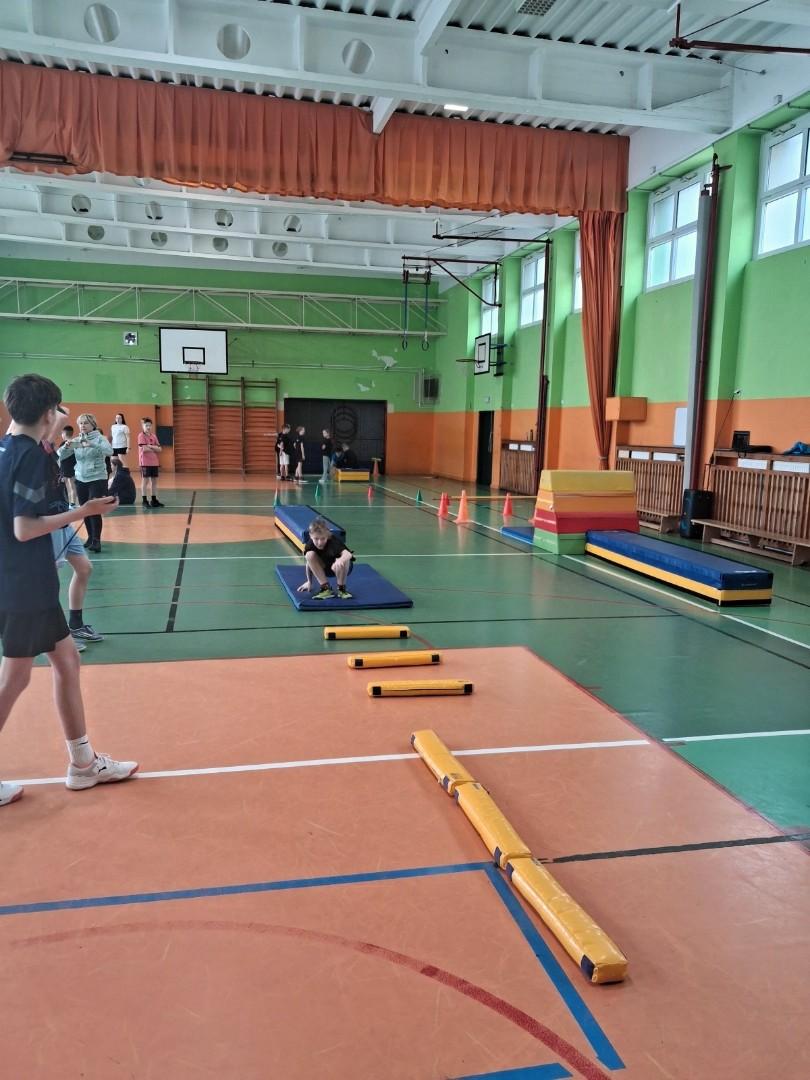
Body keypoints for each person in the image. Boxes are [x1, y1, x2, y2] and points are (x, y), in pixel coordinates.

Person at [0, 373, 138, 808]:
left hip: (21, 580)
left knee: (66, 660)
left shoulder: (7, 447)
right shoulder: (29, 457)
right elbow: (24, 528)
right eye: (56, 412)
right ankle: (82, 763)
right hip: (24, 585)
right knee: (15, 678)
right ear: (47, 413)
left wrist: (52, 424)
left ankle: (83, 763)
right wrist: (85, 510)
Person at [43, 432, 103, 649]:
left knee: (84, 569)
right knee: (49, 582)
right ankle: (54, 636)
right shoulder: (28, 452)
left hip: (64, 517)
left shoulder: (50, 448)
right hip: (50, 522)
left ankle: (75, 624)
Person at [58, 413, 113, 554]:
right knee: (84, 509)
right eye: (80, 423)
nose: (82, 426)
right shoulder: (77, 440)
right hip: (81, 478)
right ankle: (89, 538)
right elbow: (60, 455)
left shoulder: (100, 439)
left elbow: (110, 451)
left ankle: (96, 540)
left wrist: (92, 444)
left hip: (97, 478)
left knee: (94, 509)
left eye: (86, 423)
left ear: (93, 424)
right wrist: (66, 447)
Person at [297, 517, 355, 601]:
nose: (319, 542)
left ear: (327, 535)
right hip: (326, 568)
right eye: (316, 539)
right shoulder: (310, 545)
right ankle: (326, 589)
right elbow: (309, 563)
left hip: (342, 568)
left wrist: (340, 560)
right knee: (309, 555)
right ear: (310, 536)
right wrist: (309, 581)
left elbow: (348, 554)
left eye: (323, 538)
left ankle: (341, 589)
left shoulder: (333, 542)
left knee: (344, 558)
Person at [137, 418, 164, 508]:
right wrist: (154, 447)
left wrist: (150, 446)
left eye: (149, 425)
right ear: (143, 426)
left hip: (154, 462)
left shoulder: (154, 436)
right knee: (145, 481)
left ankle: (154, 500)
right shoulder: (141, 436)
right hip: (145, 462)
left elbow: (160, 449)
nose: (148, 427)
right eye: (146, 425)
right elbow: (144, 449)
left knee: (154, 481)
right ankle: (144, 501)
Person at [58, 424, 78, 507]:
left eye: (62, 434)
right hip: (73, 467)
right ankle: (72, 503)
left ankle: (71, 503)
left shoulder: (64, 444)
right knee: (72, 486)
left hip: (66, 468)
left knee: (69, 487)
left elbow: (60, 457)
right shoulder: (75, 443)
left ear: (64, 433)